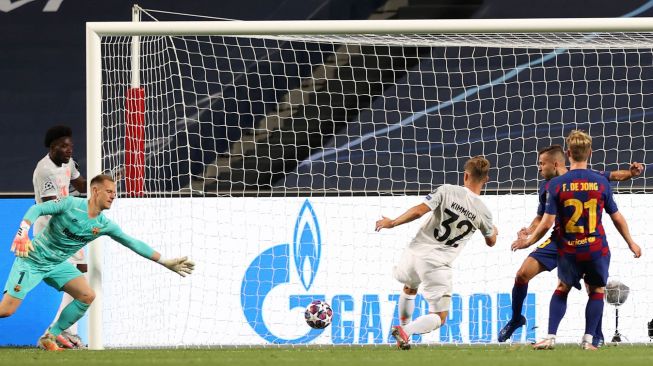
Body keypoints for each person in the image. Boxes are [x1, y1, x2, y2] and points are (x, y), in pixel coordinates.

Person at [0, 174, 195, 351]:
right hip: (33, 260)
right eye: (109, 191)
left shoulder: (103, 225)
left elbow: (132, 242)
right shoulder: (70, 204)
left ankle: (50, 336)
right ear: (95, 191)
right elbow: (38, 208)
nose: (113, 196)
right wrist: (22, 232)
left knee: (86, 295)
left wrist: (165, 262)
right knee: (6, 311)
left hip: (57, 264)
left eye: (115, 193)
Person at [498, 145, 643, 345]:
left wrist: (631, 174)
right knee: (522, 274)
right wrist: (529, 230)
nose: (538, 168)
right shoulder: (547, 186)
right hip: (558, 239)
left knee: (592, 287)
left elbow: (613, 175)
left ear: (555, 163)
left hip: (582, 241)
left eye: (541, 163)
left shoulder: (586, 176)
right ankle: (516, 319)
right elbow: (541, 217)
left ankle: (595, 336)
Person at [375, 156, 498, 350]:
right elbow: (491, 241)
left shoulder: (446, 190)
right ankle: (405, 331)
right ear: (486, 179)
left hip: (413, 253)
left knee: (410, 287)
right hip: (436, 264)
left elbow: (418, 211)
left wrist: (392, 223)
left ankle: (404, 333)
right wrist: (493, 230)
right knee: (440, 317)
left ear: (465, 175)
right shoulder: (484, 212)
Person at [33, 125, 88, 348]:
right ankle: (58, 331)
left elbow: (81, 186)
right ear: (52, 146)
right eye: (64, 146)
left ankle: (64, 331)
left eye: (71, 145)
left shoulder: (69, 164)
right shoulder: (44, 170)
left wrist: (104, 183)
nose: (69, 149)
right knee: (75, 281)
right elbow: (52, 206)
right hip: (51, 233)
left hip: (68, 229)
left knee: (83, 273)